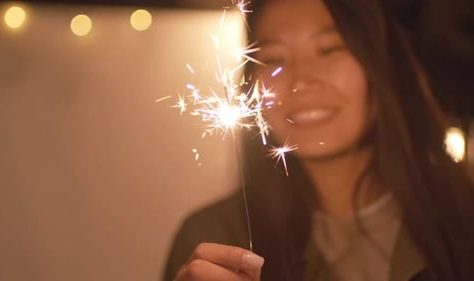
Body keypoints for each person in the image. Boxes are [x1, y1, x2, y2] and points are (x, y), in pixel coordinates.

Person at [163, 0, 474, 280]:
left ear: (380, 66)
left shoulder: (461, 221)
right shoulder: (216, 240)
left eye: (329, 49)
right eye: (272, 58)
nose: (301, 80)